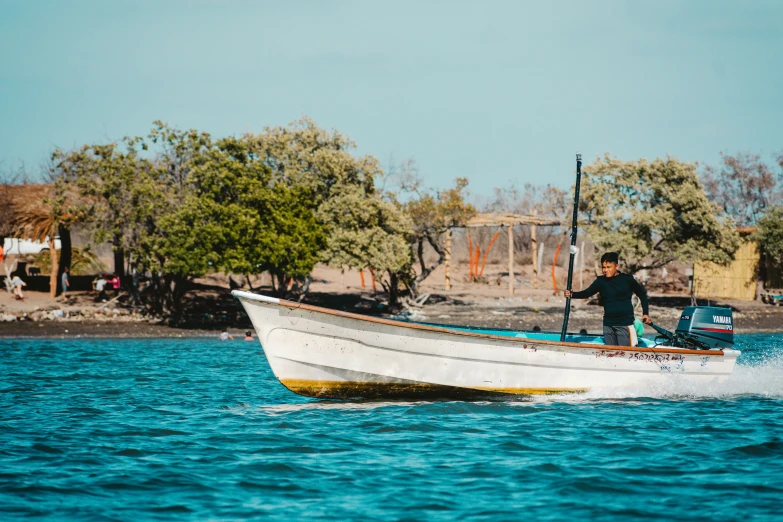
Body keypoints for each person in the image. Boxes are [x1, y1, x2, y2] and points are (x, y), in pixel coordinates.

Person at [564, 252, 651, 347]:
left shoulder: (627, 280)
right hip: (608, 325)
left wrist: (645, 313)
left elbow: (642, 295)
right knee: (611, 355)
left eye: (609, 267)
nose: (605, 270)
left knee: (625, 354)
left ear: (616, 266)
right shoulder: (600, 281)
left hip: (625, 325)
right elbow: (587, 293)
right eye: (604, 267)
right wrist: (572, 294)